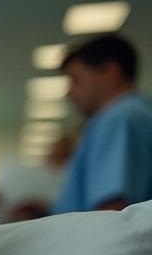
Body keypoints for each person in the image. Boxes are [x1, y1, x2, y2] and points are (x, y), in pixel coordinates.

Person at [51, 34, 152, 214]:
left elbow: (112, 211)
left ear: (109, 72)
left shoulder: (119, 119)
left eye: (75, 79)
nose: (69, 92)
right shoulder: (140, 113)